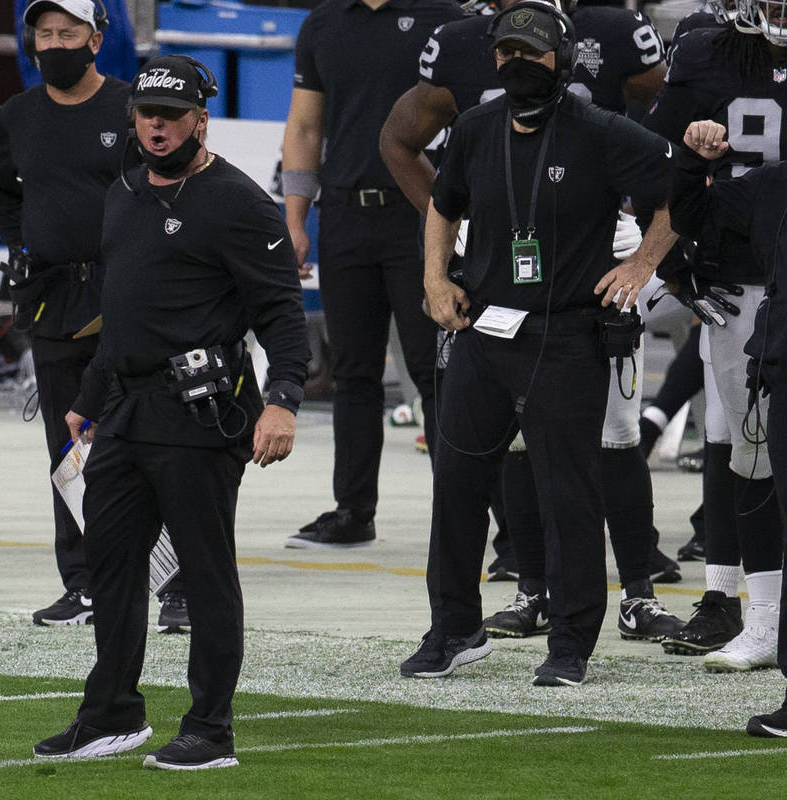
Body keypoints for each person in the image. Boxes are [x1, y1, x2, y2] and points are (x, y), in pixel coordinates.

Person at [33, 55, 309, 769]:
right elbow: (120, 311)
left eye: (172, 114)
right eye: (148, 114)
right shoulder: (123, 193)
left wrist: (282, 401)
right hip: (123, 411)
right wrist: (87, 404)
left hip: (202, 413)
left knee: (206, 572)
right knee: (112, 566)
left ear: (200, 118)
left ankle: (210, 729)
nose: (157, 126)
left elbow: (283, 315)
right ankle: (112, 715)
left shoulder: (242, 203)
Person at [380, 0, 685, 643]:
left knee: (582, 477)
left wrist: (640, 269)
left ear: (563, 57)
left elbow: (679, 188)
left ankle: (590, 626)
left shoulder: (601, 127)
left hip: (569, 326)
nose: (517, 62)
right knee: (460, 482)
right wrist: (435, 277)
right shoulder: (475, 126)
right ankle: (460, 626)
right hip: (486, 327)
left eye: (532, 51)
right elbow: (441, 201)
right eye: (508, 51)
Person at [0, 0, 189, 632]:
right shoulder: (17, 115)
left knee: (151, 439)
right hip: (51, 299)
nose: (55, 44)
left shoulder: (130, 107)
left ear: (97, 39)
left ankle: (178, 583)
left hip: (125, 294)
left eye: (68, 33)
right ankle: (84, 580)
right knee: (67, 449)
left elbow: (161, 185)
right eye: (45, 34)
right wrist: (23, 242)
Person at [280, 0, 463, 549]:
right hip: (344, 214)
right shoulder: (324, 23)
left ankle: (461, 513)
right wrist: (294, 217)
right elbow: (307, 126)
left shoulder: (447, 17)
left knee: (437, 370)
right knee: (354, 373)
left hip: (424, 213)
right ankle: (353, 512)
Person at [644, 0, 785, 666]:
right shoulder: (705, 54)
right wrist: (673, 265)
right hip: (738, 273)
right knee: (742, 445)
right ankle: (732, 599)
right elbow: (659, 160)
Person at [670, 116, 787, 736]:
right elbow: (694, 215)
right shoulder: (772, 185)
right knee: (760, 468)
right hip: (779, 352)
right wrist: (695, 162)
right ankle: (764, 621)